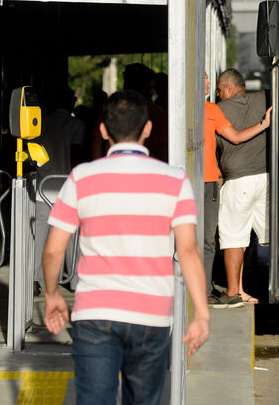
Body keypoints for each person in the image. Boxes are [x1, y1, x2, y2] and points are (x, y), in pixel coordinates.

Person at [43, 91, 209, 405]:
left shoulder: (81, 178)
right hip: (152, 316)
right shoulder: (175, 180)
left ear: (103, 130)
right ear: (148, 128)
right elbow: (188, 251)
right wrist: (201, 313)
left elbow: (53, 250)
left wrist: (52, 295)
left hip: (95, 314)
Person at [202, 72, 272, 303]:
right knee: (271, 235)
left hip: (239, 181)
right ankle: (268, 288)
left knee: (233, 238)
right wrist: (263, 124)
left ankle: (232, 292)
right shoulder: (266, 98)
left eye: (219, 90)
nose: (218, 94)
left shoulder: (217, 109)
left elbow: (228, 140)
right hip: (267, 178)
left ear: (228, 88)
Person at [34, 87, 86, 291]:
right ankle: (74, 280)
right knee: (73, 235)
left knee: (41, 236)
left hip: (43, 186)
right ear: (71, 102)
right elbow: (77, 154)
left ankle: (37, 280)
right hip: (68, 186)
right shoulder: (77, 125)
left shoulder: (41, 123)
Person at [123, 63, 168, 161]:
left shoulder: (111, 109)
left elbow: (96, 143)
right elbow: (163, 148)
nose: (153, 93)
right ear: (143, 85)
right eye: (152, 87)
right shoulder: (156, 112)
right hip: (151, 167)